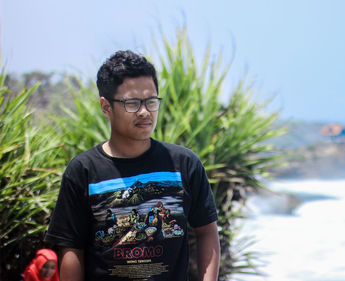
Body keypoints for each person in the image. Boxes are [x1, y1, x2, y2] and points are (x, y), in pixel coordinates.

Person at [45, 50, 220, 281]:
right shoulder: (84, 170)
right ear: (106, 107)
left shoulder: (184, 164)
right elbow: (70, 248)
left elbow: (207, 231)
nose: (145, 112)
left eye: (151, 101)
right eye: (132, 103)